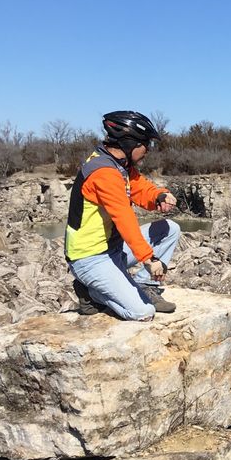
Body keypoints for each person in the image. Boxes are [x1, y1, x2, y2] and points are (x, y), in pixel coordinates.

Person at [65, 110, 181, 319]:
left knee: (170, 229)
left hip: (113, 248)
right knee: (143, 312)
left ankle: (146, 284)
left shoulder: (120, 166)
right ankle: (91, 292)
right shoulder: (104, 173)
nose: (148, 151)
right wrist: (149, 258)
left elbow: (139, 187)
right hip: (89, 257)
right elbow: (124, 217)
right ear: (131, 144)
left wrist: (159, 197)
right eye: (146, 145)